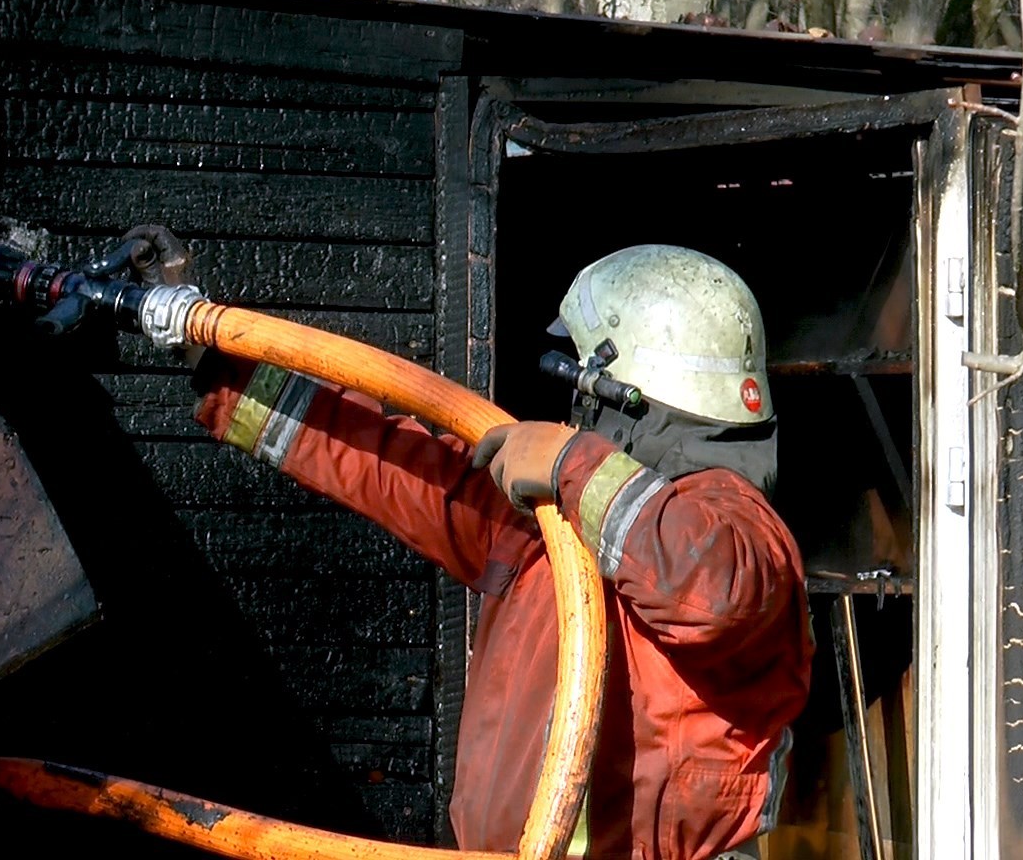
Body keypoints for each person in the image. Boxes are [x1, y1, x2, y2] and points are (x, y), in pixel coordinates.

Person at [118, 228, 814, 860]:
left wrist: (574, 462)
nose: (571, 396)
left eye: (582, 374)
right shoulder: (553, 526)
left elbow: (708, 586)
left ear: (625, 385)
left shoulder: (740, 530)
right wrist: (220, 360)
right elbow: (394, 467)